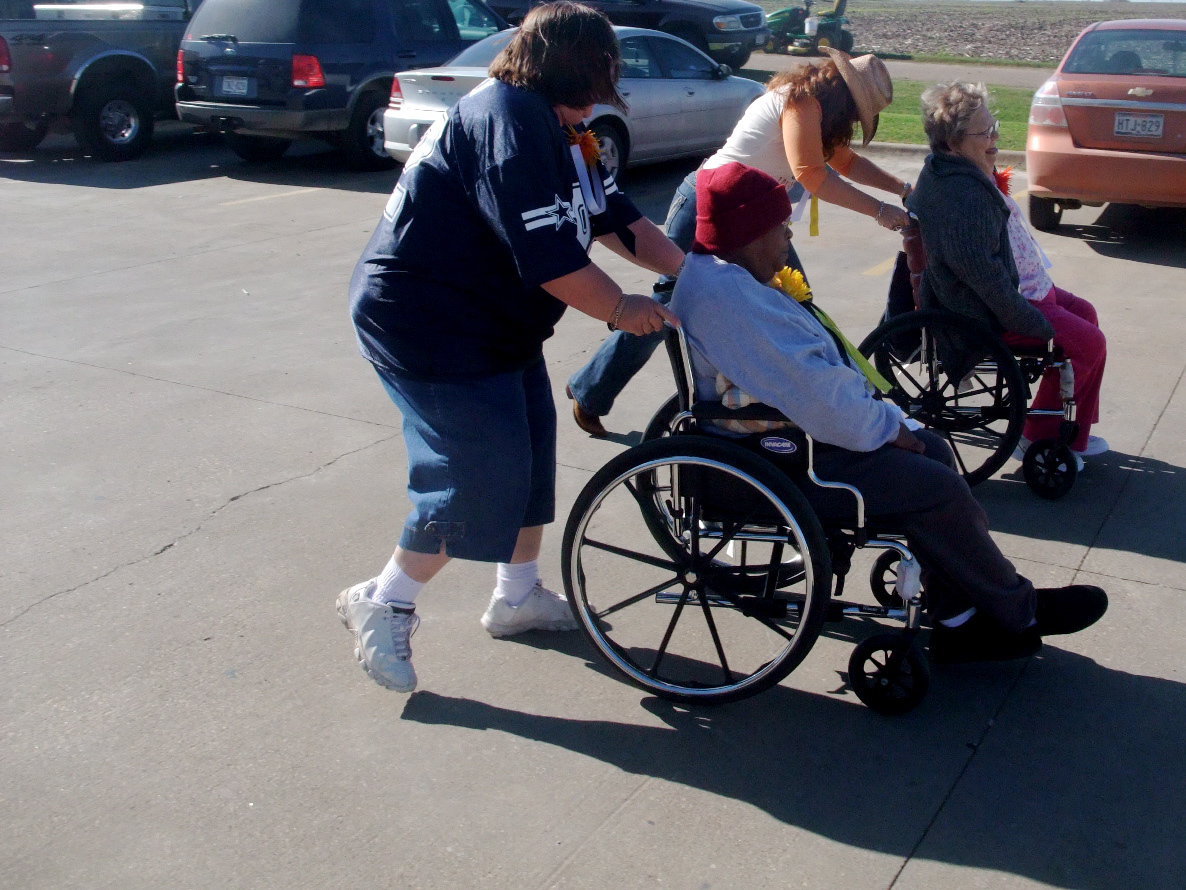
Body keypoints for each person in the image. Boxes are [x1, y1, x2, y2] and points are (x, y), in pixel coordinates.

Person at [340, 2, 684, 693]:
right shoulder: (509, 119)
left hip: (492, 322)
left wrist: (695, 275)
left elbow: (616, 218)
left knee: (527, 456)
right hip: (427, 321)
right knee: (473, 471)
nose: (609, 83)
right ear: (577, 67)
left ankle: (516, 596)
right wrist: (622, 308)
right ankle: (384, 602)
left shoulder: (563, 126)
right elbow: (550, 260)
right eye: (605, 68)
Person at [670, 160, 1107, 663]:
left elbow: (810, 381)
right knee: (933, 481)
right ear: (748, 234)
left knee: (937, 455)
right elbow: (814, 393)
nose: (788, 238)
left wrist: (886, 420)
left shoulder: (731, 281)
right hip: (774, 459)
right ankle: (1017, 609)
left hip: (785, 440)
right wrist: (886, 427)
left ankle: (958, 616)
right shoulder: (729, 295)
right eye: (780, 227)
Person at [565, 47, 914, 437]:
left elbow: (845, 163)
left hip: (756, 223)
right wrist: (880, 210)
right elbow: (812, 174)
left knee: (793, 301)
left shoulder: (815, 109)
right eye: (856, 112)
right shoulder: (801, 102)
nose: (853, 121)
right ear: (844, 97)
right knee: (671, 306)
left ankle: (796, 403)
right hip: (709, 204)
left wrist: (901, 188)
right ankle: (591, 391)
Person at [909, 81, 1108, 465]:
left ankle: (1074, 429)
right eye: (985, 133)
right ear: (952, 143)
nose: (995, 137)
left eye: (994, 126)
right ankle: (1036, 438)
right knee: (1088, 342)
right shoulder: (962, 197)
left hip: (1028, 291)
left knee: (1087, 316)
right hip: (1000, 309)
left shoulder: (961, 172)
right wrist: (1029, 319)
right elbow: (982, 276)